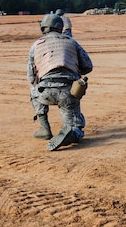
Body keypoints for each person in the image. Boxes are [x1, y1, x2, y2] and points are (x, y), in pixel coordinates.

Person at [27, 13, 93, 151]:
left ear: (44, 28)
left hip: (44, 92)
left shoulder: (36, 45)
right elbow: (88, 66)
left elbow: (31, 77)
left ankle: (44, 127)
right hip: (68, 91)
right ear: (60, 27)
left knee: (33, 90)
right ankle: (73, 133)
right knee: (74, 125)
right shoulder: (71, 41)